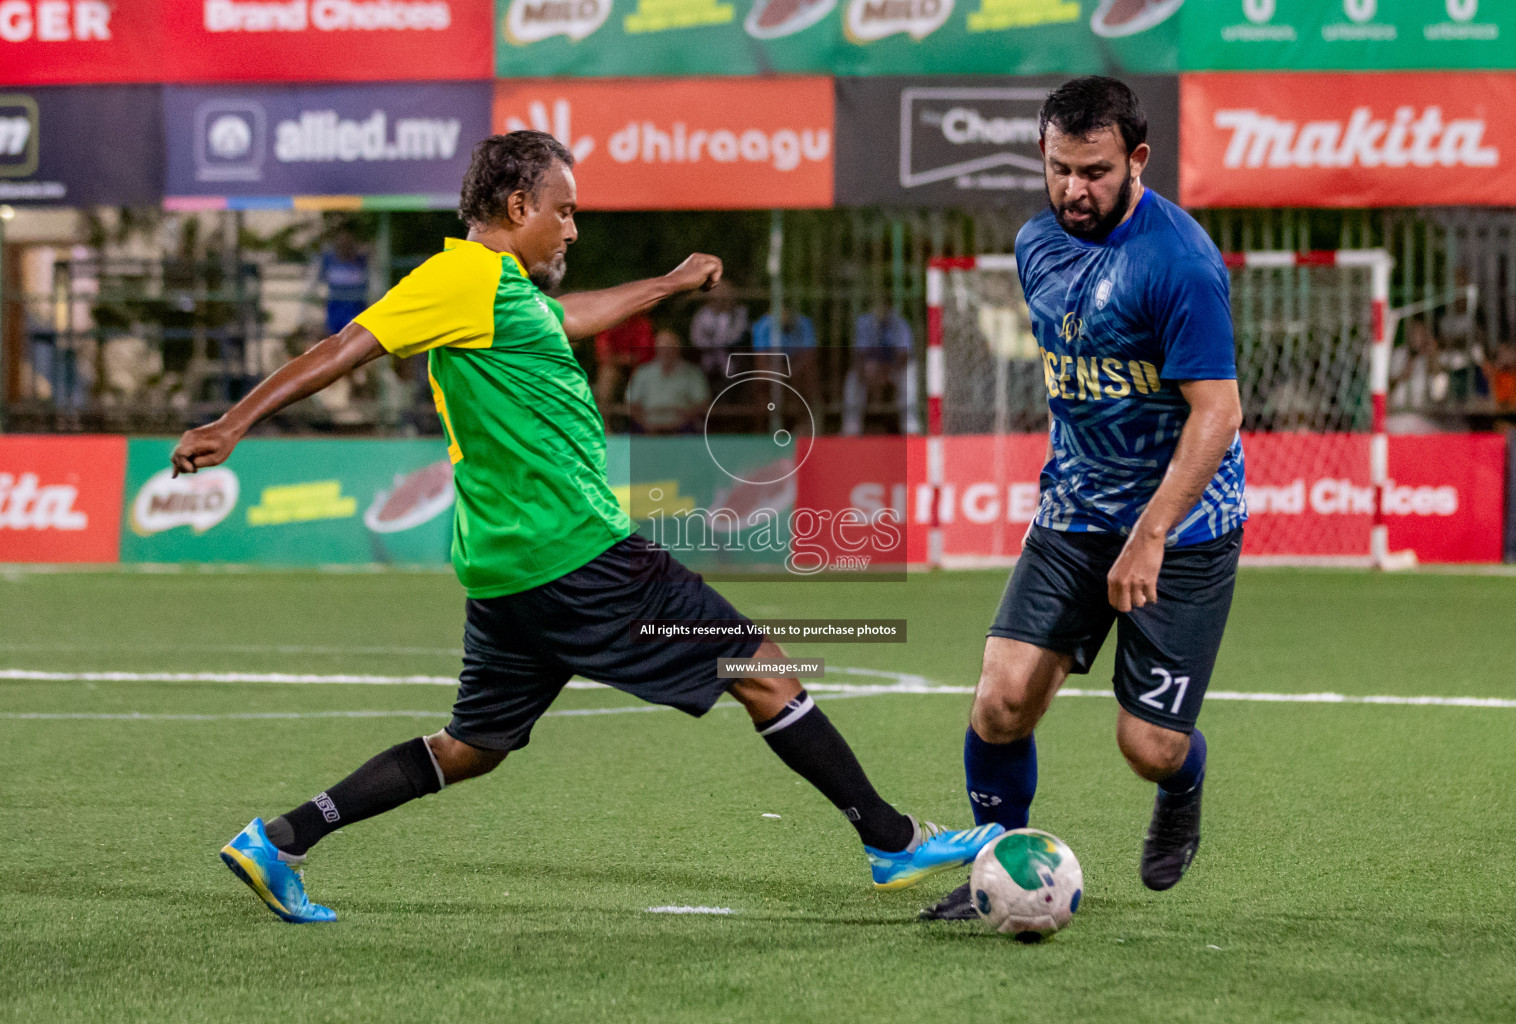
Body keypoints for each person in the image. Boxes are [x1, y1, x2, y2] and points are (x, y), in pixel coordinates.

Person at [171, 131, 999, 924]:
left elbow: (574, 319)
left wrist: (669, 283)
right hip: (579, 553)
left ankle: (281, 840)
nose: (573, 225)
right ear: (518, 202)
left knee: (473, 746)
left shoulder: (505, 293)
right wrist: (233, 424)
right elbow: (347, 345)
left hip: (510, 571)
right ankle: (891, 842)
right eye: (563, 210)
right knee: (763, 670)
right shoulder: (454, 279)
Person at [920, 77, 1247, 921]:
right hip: (1073, 513)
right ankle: (998, 865)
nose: (1075, 189)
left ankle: (1186, 783)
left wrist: (1151, 532)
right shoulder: (1037, 244)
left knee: (1147, 745)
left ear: (1137, 158)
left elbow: (1218, 412)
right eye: (1060, 168)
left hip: (1184, 527)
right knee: (1001, 701)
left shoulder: (1180, 263)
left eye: (1096, 171)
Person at [841, 301, 919, 436]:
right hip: (871, 369)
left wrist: (888, 372)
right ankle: (851, 425)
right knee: (853, 378)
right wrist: (867, 371)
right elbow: (859, 354)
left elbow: (904, 354)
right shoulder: (864, 323)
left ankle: (910, 424)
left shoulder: (900, 324)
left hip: (895, 369)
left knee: (909, 374)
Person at [626, 328, 711, 434]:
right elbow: (631, 404)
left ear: (678, 348)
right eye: (662, 346)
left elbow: (702, 403)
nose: (666, 350)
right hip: (646, 428)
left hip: (683, 427)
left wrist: (682, 421)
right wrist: (644, 422)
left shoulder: (693, 373)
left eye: (670, 346)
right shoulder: (642, 372)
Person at [592, 312, 655, 426]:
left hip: (639, 368)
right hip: (616, 367)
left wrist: (621, 359)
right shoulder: (606, 323)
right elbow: (603, 355)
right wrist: (625, 359)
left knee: (644, 374)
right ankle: (605, 426)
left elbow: (644, 355)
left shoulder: (641, 323)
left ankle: (647, 425)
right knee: (607, 374)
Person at [689, 280, 749, 388]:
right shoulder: (701, 316)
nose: (720, 297)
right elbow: (696, 339)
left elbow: (737, 336)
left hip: (732, 357)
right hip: (707, 357)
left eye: (724, 293)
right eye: (717, 292)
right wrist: (712, 345)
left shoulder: (739, 313)